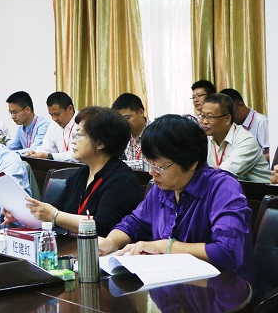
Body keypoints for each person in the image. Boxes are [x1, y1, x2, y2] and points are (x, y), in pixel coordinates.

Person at [98, 115, 255, 285]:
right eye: (149, 163)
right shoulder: (162, 188)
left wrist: (164, 247)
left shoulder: (223, 188)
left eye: (159, 166)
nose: (152, 172)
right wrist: (111, 242)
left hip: (219, 289)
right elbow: (135, 223)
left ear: (192, 162)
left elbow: (227, 251)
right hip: (170, 285)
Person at [4, 107, 141, 236]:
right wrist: (24, 215)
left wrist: (55, 216)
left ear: (100, 143)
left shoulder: (122, 180)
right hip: (74, 247)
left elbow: (103, 225)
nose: (73, 142)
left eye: (79, 135)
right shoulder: (81, 174)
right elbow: (53, 210)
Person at [199, 93, 270, 183]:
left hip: (259, 191)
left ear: (227, 119)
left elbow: (224, 173)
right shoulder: (206, 138)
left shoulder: (246, 140)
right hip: (226, 188)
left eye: (210, 117)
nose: (204, 121)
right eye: (202, 116)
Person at [25, 91, 79, 162]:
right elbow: (46, 148)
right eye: (51, 115)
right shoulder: (53, 126)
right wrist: (35, 153)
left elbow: (79, 155)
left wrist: (50, 156)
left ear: (70, 109)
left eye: (57, 114)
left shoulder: (83, 123)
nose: (54, 119)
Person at [220, 88, 270, 162]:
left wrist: (250, 164)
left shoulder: (261, 122)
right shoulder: (231, 125)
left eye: (231, 114)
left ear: (241, 105)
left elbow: (271, 153)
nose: (229, 119)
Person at [111, 93, 150, 170]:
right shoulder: (123, 134)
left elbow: (151, 165)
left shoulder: (156, 132)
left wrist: (120, 165)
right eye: (120, 119)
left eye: (127, 118)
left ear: (141, 112)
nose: (123, 123)